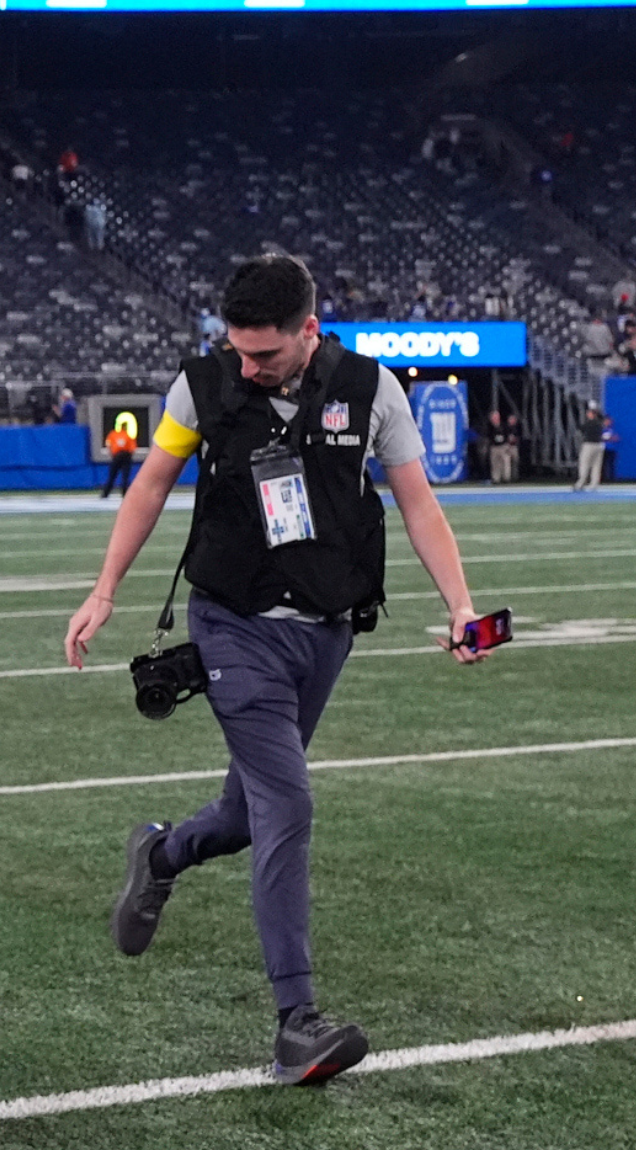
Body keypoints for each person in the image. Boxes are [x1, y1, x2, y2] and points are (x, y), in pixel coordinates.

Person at [64, 253, 491, 1086]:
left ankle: (161, 856)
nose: (248, 367)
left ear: (311, 328)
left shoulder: (373, 392)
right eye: (239, 350)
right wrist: (105, 588)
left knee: (249, 812)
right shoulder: (205, 384)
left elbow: (418, 503)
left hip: (325, 631)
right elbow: (151, 484)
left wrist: (462, 607)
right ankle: (297, 1021)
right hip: (232, 625)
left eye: (265, 354)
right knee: (287, 800)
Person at [574, 402, 606, 490]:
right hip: (599, 445)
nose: (587, 414)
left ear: (591, 414)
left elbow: (580, 429)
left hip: (589, 445)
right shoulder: (600, 423)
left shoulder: (589, 423)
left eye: (589, 413)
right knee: (596, 465)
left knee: (584, 463)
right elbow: (602, 417)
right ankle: (594, 484)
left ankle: (581, 483)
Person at [101, 420, 137, 498]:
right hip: (126, 455)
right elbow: (132, 449)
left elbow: (108, 444)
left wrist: (111, 453)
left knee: (112, 476)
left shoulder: (113, 434)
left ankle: (105, 494)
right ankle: (124, 494)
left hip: (117, 455)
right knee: (125, 476)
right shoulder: (128, 436)